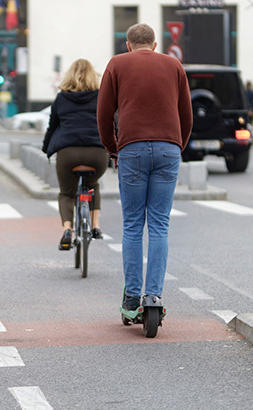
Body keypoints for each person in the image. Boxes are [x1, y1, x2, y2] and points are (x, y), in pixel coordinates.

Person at [97, 24, 192, 311]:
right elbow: (186, 114)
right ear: (153, 44)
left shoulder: (117, 64)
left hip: (131, 149)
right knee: (160, 224)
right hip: (168, 149)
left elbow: (103, 114)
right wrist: (177, 146)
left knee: (133, 224)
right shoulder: (174, 65)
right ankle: (154, 296)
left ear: (128, 44)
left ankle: (132, 296)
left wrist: (113, 148)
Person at [42, 58, 109, 250]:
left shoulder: (61, 98)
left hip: (67, 153)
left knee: (66, 193)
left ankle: (68, 230)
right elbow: (112, 124)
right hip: (97, 153)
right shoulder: (102, 96)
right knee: (92, 185)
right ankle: (95, 226)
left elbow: (52, 127)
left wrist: (46, 149)